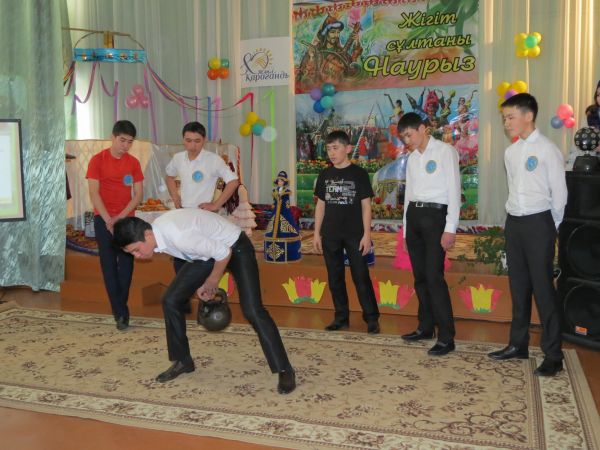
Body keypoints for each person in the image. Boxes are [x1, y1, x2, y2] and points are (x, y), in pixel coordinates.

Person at [112, 209, 296, 393]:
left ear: (148, 234)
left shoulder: (179, 236)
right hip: (206, 253)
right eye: (132, 253)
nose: (136, 256)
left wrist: (212, 281)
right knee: (171, 299)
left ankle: (284, 369)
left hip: (235, 247)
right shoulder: (159, 235)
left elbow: (223, 252)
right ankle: (182, 361)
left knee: (253, 310)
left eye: (136, 250)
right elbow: (200, 254)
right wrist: (201, 283)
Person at [488, 93, 568, 377]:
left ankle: (553, 355)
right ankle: (517, 344)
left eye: (510, 117)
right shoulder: (510, 153)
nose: (506, 123)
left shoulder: (547, 149)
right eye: (504, 118)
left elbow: (560, 194)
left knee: (543, 289)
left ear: (528, 116)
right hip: (515, 224)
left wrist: (550, 227)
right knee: (518, 286)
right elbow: (514, 188)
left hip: (539, 223)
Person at [397, 112, 461, 356]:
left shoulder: (445, 151)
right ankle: (425, 327)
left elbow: (454, 191)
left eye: (409, 135)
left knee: (434, 277)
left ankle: (446, 336)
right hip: (414, 216)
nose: (407, 141)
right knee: (420, 277)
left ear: (423, 128)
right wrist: (405, 231)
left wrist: (450, 228)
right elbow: (408, 197)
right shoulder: (412, 158)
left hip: (436, 217)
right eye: (403, 137)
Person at [313, 130, 380, 334]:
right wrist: (316, 233)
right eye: (328, 149)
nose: (331, 153)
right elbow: (320, 206)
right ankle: (341, 317)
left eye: (335, 148)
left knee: (361, 276)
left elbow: (366, 206)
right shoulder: (325, 175)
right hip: (330, 234)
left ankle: (371, 318)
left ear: (348, 148)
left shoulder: (359, 174)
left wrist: (367, 235)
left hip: (355, 234)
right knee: (335, 278)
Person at [86, 120, 144, 330]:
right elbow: (94, 193)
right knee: (109, 266)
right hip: (103, 219)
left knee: (127, 266)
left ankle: (120, 309)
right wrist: (108, 219)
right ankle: (121, 313)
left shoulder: (133, 163)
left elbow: (138, 195)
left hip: (126, 219)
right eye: (122, 140)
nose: (125, 146)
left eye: (130, 142)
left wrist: (120, 217)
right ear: (113, 137)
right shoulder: (97, 160)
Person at [165, 121, 240, 275]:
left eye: (197, 141)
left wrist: (216, 205)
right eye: (188, 140)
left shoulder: (213, 160)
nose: (192, 145)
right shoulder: (178, 158)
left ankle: (205, 289)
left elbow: (233, 181)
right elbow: (169, 176)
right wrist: (175, 196)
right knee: (180, 260)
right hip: (183, 215)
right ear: (183, 139)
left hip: (203, 216)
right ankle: (183, 289)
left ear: (204, 140)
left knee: (202, 258)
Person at [297, 14, 363, 88]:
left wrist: (356, 43)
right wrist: (311, 58)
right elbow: (304, 75)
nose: (336, 35)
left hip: (338, 89)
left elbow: (352, 71)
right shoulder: (313, 51)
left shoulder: (341, 53)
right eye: (333, 32)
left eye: (338, 32)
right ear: (325, 34)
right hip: (317, 89)